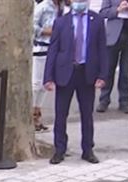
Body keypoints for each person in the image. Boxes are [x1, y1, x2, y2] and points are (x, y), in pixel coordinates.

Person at [44, 0, 108, 165]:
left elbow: (102, 48)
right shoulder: (61, 22)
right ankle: (59, 149)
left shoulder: (97, 20)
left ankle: (88, 149)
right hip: (66, 72)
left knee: (87, 114)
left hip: (87, 72)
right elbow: (53, 50)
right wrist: (48, 77)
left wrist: (103, 75)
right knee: (61, 114)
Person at [33, 0, 64, 131]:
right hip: (41, 48)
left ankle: (37, 115)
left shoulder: (62, 7)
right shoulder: (43, 7)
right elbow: (31, 25)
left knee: (46, 84)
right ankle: (31, 115)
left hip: (54, 49)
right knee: (36, 84)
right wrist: (46, 32)